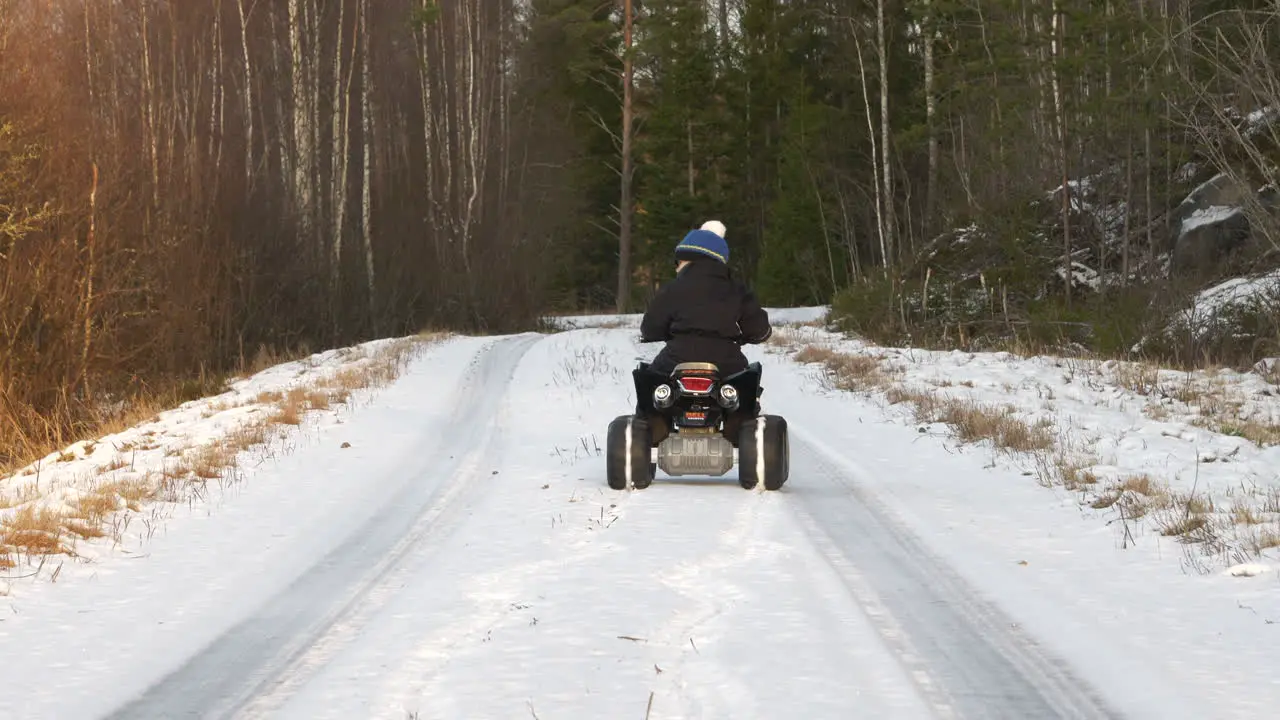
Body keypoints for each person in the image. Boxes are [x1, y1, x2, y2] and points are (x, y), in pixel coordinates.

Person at [639, 220, 773, 378]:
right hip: (728, 363)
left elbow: (650, 327)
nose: (676, 267)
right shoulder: (737, 289)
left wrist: (657, 335)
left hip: (675, 360)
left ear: (688, 261)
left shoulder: (672, 289)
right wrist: (747, 337)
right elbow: (759, 330)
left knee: (650, 384)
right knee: (746, 391)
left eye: (678, 262)